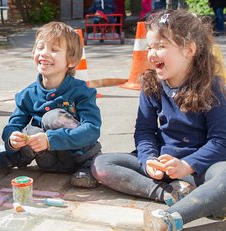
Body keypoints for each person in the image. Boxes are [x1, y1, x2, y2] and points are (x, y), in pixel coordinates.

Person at [92, 9, 226, 231]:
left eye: (161, 46)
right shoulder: (151, 84)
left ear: (189, 49)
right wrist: (148, 160)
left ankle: (171, 217)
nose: (152, 54)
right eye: (150, 47)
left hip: (201, 170)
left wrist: (187, 165)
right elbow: (144, 131)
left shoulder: (212, 87)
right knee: (101, 164)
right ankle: (172, 194)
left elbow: (221, 141)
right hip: (163, 170)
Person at [0, 22, 102, 188]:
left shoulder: (81, 92)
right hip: (47, 160)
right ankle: (10, 159)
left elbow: (92, 130)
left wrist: (50, 139)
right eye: (40, 47)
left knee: (53, 117)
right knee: (29, 131)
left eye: (54, 49)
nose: (44, 53)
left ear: (71, 60)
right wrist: (12, 138)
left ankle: (89, 166)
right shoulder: (27, 94)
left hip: (76, 157)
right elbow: (13, 125)